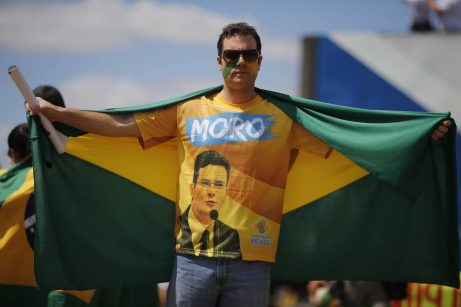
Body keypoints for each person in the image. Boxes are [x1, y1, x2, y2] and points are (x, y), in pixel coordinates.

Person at [27, 22, 453, 307]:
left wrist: (419, 136)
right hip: (192, 257)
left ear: (260, 61)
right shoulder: (188, 110)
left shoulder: (284, 117)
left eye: (248, 55)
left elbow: (353, 141)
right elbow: (120, 124)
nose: (239, 63)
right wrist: (59, 114)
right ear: (219, 61)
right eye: (231, 55)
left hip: (253, 261)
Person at [177, 150, 241, 259]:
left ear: (225, 192)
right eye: (205, 183)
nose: (211, 192)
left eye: (219, 185)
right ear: (193, 189)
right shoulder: (178, 225)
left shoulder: (231, 235)